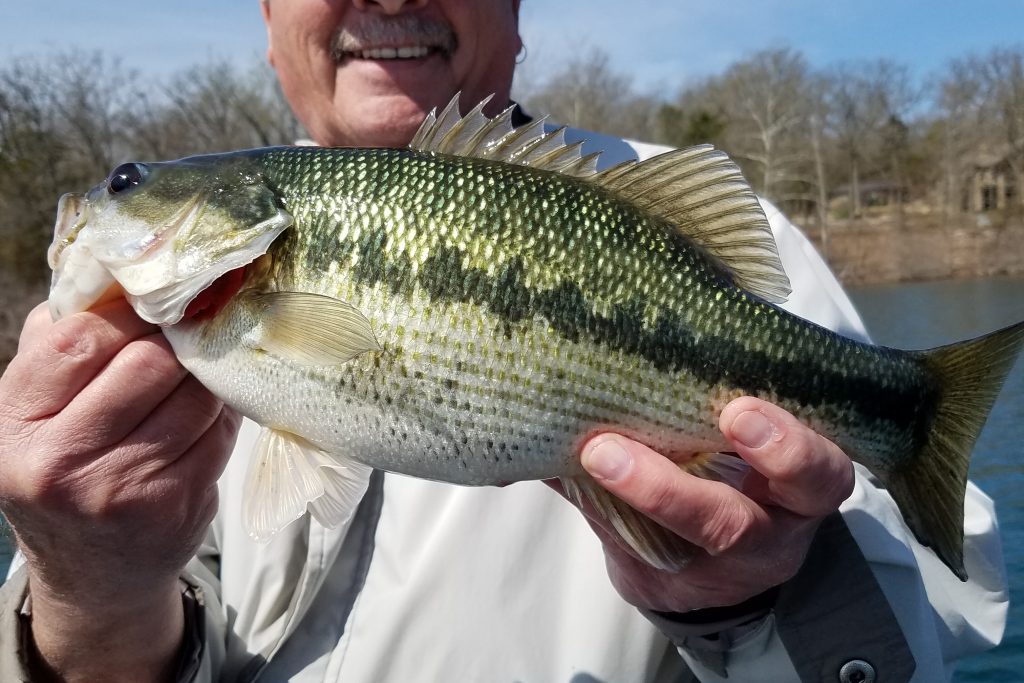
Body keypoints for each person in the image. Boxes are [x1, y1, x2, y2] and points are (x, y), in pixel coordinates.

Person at [0, 0, 1007, 680]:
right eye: (129, 181)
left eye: (130, 188)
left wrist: (763, 594)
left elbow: (934, 620)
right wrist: (90, 583)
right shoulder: (154, 327)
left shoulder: (711, 230)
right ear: (267, 18)